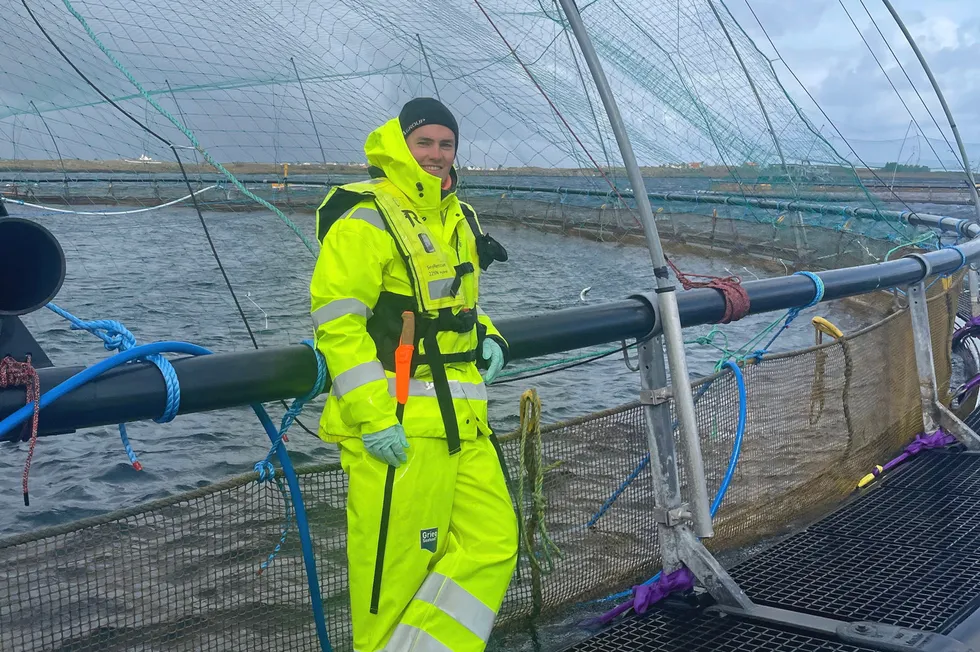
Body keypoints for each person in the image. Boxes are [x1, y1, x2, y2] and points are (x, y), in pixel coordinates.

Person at [310, 98, 518, 652]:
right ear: (401, 144)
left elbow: (451, 301)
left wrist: (488, 333)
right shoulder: (365, 216)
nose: (435, 154)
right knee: (392, 581)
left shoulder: (457, 215)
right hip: (396, 424)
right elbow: (338, 324)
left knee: (493, 542)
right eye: (424, 142)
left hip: (463, 422)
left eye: (445, 144)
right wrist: (374, 418)